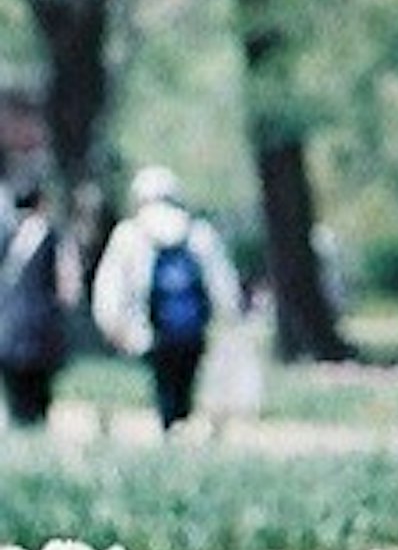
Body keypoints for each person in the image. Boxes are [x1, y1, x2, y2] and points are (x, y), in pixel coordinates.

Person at [88, 166, 243, 436]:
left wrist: (111, 322)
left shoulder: (130, 233)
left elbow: (110, 285)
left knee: (164, 382)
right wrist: (228, 317)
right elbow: (222, 282)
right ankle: (180, 425)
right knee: (185, 381)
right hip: (192, 329)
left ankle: (169, 428)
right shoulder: (198, 232)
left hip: (151, 330)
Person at [0, 178, 71, 434]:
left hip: (7, 329)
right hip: (42, 329)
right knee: (39, 402)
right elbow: (67, 289)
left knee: (16, 402)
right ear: (42, 202)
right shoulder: (53, 236)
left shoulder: (6, 234)